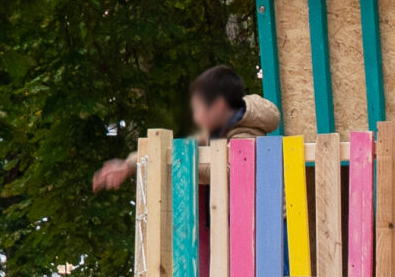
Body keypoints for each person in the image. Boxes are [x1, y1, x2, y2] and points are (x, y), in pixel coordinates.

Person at [89, 65, 282, 194]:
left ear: (219, 106)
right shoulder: (216, 131)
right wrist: (128, 164)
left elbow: (230, 172)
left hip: (267, 226)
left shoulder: (244, 134)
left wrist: (180, 164)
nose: (196, 117)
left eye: (199, 109)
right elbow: (173, 149)